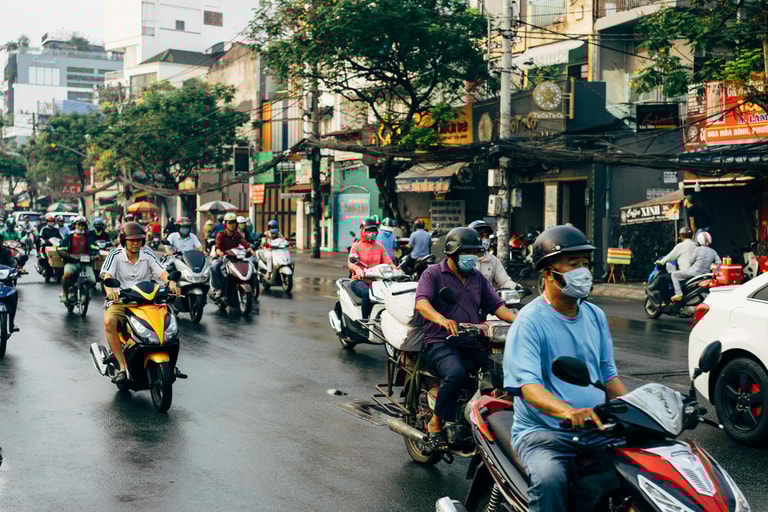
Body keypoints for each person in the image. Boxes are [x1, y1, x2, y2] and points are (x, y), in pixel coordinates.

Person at [503, 225, 627, 512]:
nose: (583, 272)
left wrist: (639, 410)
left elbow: (608, 376)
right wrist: (568, 412)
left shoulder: (595, 315)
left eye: (585, 264)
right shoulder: (529, 322)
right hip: (543, 433)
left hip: (596, 426)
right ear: (549, 273)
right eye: (573, 264)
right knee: (549, 479)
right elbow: (529, 388)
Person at [414, 227, 517, 447]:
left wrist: (521, 321)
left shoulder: (477, 278)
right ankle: (435, 422)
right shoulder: (433, 274)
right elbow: (421, 303)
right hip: (440, 342)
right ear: (452, 253)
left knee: (501, 371)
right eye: (466, 252)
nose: (472, 257)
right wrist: (442, 320)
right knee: (456, 374)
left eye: (475, 252)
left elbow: (497, 306)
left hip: (470, 341)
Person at [101, 222, 179, 385]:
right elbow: (107, 276)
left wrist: (171, 282)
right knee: (109, 321)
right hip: (122, 301)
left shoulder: (147, 253)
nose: (135, 243)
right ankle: (122, 368)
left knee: (168, 322)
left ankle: (171, 363)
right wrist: (110, 292)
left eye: (138, 240)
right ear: (124, 240)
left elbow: (161, 271)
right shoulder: (115, 254)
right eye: (131, 240)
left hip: (147, 300)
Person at [347, 218, 393, 320]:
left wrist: (396, 270)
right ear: (362, 230)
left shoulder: (380, 247)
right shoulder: (356, 246)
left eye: (373, 230)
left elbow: (389, 262)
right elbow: (351, 262)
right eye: (368, 230)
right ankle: (365, 321)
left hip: (377, 281)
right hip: (359, 280)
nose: (371, 233)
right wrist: (357, 269)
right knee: (368, 293)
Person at [671, 231, 721, 302]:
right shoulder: (713, 252)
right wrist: (716, 272)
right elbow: (719, 262)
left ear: (699, 240)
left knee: (674, 274)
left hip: (693, 273)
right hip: (705, 275)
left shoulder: (698, 249)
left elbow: (691, 260)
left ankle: (679, 294)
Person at [58, 216, 98, 303]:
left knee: (93, 281)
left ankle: (84, 291)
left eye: (83, 225)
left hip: (86, 263)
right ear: (74, 225)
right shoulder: (69, 237)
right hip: (72, 262)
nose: (81, 227)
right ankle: (65, 293)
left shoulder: (88, 237)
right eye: (79, 224)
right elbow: (60, 249)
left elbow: (95, 248)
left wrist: (95, 255)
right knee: (66, 275)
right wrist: (69, 255)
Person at [211, 212, 251, 297]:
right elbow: (217, 247)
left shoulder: (237, 234)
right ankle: (218, 288)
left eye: (234, 222)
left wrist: (249, 249)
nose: (232, 225)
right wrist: (219, 252)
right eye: (230, 223)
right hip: (224, 257)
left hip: (236, 258)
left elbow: (244, 243)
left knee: (250, 266)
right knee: (214, 267)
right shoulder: (220, 234)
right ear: (225, 224)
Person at [468, 220, 516, 290]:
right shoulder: (464, 260)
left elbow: (504, 281)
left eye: (487, 236)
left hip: (489, 296)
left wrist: (516, 287)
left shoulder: (493, 260)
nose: (485, 240)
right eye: (481, 236)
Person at [0, 239, 19, 332]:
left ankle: (11, 323)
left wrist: (15, 268)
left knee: (13, 295)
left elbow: (12, 262)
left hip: (5, 281)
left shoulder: (6, 252)